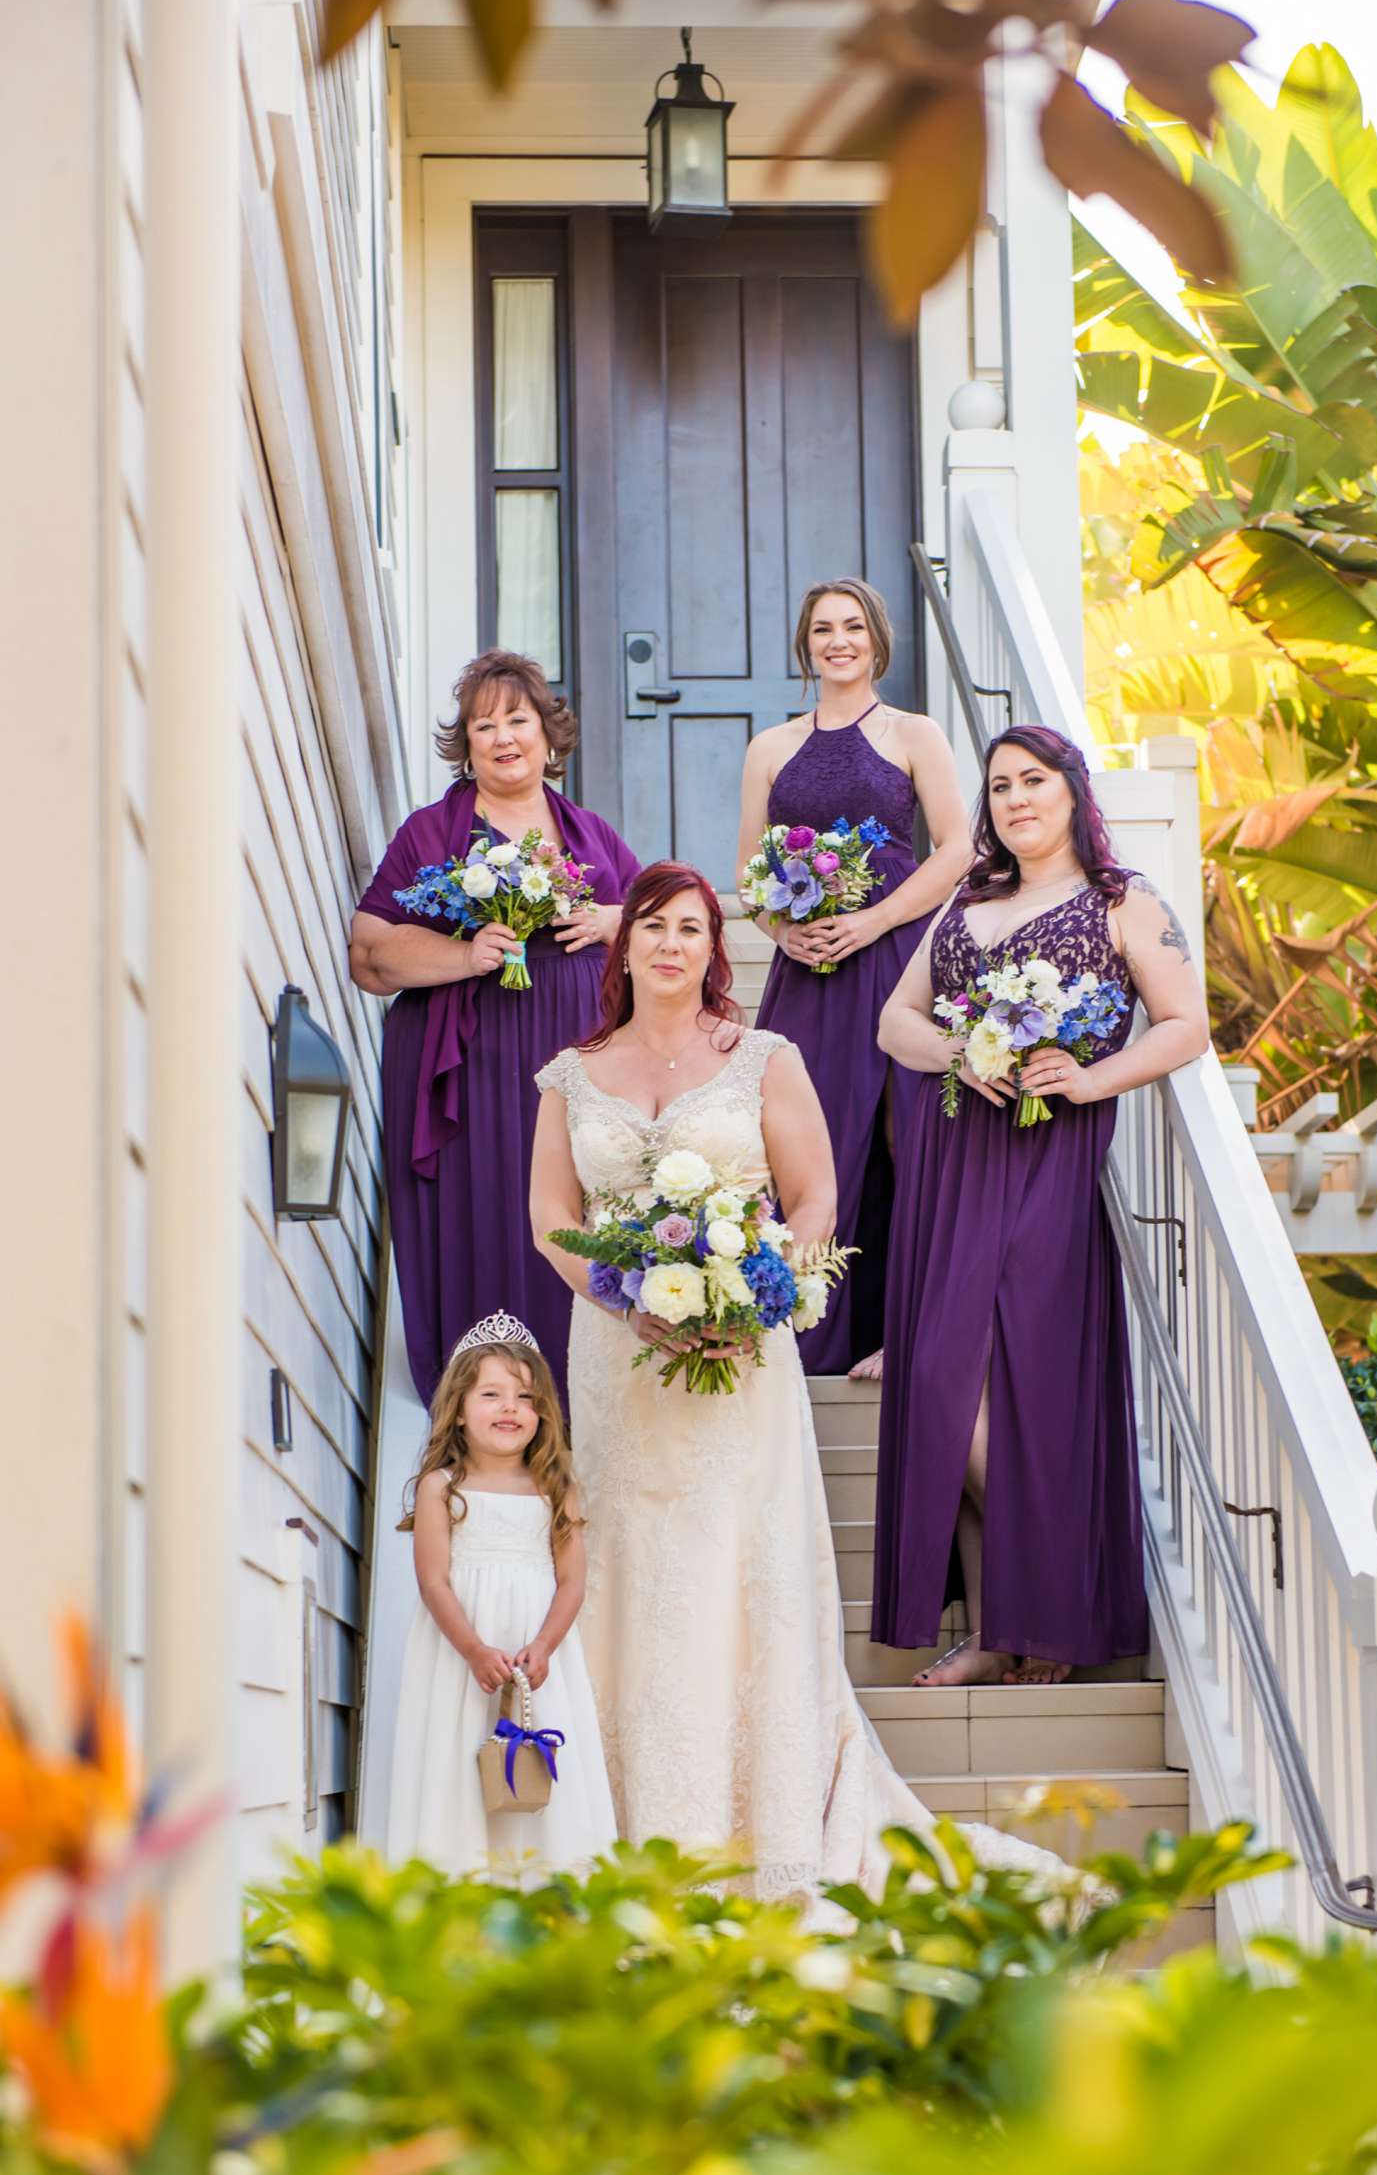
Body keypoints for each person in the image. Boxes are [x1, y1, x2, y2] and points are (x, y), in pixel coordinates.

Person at [529, 862, 1064, 1901]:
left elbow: (814, 1200)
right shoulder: (569, 1075)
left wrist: (748, 1297)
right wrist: (619, 1294)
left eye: (691, 928)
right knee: (630, 1567)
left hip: (740, 1355)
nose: (671, 945)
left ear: (713, 949)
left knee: (740, 1565)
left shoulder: (763, 1058)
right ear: (625, 945)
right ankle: (631, 1822)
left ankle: (764, 1821)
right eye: (653, 927)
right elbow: (550, 1218)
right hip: (614, 1357)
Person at [873, 726, 1210, 1687]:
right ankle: (1003, 1621)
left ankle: (1037, 1618)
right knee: (944, 1385)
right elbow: (895, 1021)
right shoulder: (964, 904)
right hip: (950, 1165)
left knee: (1025, 1389)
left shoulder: (1122, 899)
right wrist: (961, 1052)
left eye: (1033, 781)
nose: (1017, 799)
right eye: (1000, 787)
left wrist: (1091, 1078)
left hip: (1047, 1163)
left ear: (1070, 791)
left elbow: (1185, 1026)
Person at [350, 649, 641, 1411]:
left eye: (518, 719)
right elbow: (368, 954)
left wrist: (614, 918)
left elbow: (669, 939)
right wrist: (464, 951)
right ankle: (485, 1397)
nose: (503, 736)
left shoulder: (596, 837)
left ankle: (585, 1394)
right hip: (467, 1062)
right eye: (485, 724)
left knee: (577, 1209)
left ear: (549, 735)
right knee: (489, 1209)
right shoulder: (428, 833)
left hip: (577, 1055)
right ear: (466, 743)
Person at [736, 580, 969, 1379]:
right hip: (807, 977)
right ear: (806, 645)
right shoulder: (770, 747)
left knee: (901, 1138)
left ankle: (893, 1330)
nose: (839, 641)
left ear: (877, 640)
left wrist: (871, 923)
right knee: (806, 1140)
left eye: (853, 627)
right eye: (823, 629)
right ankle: (796, 1325)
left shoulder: (912, 733)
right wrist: (783, 932)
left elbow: (956, 849)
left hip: (893, 960)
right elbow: (746, 873)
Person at [385, 1312, 616, 1879]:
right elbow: (434, 1581)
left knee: (536, 1763)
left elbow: (572, 1581)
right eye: (491, 1394)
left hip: (537, 1658)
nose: (510, 1407)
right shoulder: (442, 1488)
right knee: (459, 1754)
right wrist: (472, 1650)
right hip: (462, 1649)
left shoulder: (558, 1488)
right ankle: (462, 1885)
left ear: (542, 1414)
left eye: (525, 1397)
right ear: (459, 1411)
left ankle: (541, 1889)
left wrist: (544, 1645)